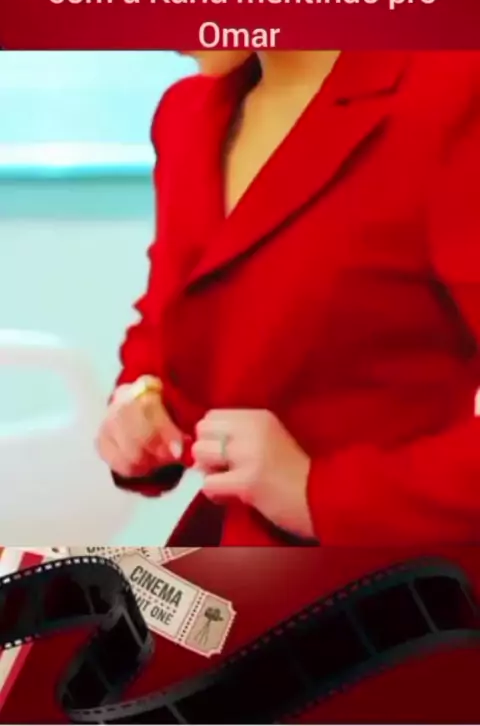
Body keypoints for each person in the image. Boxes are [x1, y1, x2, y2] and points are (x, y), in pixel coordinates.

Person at [97, 50, 480, 547]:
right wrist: (140, 402)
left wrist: (317, 494)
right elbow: (171, 318)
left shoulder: (450, 96)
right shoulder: (187, 114)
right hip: (234, 566)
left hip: (396, 573)